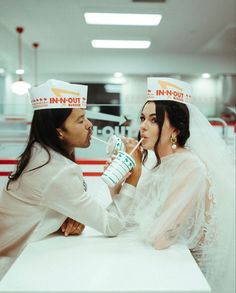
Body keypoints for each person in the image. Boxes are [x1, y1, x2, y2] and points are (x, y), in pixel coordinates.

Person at [0, 79, 142, 280]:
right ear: (59, 131)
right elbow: (112, 225)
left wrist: (67, 215)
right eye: (80, 120)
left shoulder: (38, 154)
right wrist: (134, 175)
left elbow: (47, 201)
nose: (90, 125)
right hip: (12, 271)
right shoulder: (56, 171)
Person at [122, 77, 235, 293]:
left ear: (175, 129)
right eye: (142, 118)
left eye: (154, 120)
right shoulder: (161, 162)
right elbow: (129, 217)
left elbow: (160, 238)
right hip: (170, 260)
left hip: (194, 271)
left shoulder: (189, 166)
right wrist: (124, 176)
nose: (143, 126)